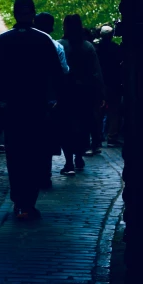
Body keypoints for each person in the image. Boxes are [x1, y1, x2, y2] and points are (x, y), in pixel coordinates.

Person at [0, 0, 64, 220]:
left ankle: (19, 200)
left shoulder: (3, 41)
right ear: (32, 14)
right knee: (34, 155)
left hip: (12, 108)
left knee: (15, 155)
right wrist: (55, 101)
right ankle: (28, 201)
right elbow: (56, 75)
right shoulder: (43, 40)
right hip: (36, 107)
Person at [57, 15, 105, 175]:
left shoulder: (60, 45)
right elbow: (96, 72)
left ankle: (69, 161)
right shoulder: (88, 47)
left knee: (65, 127)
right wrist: (100, 94)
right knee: (83, 126)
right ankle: (79, 156)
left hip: (64, 93)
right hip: (85, 93)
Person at [33, 12, 69, 188]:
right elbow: (63, 71)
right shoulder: (55, 46)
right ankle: (44, 174)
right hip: (47, 99)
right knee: (45, 138)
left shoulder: (18, 42)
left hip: (22, 99)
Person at [96, 25, 123, 147]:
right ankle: (112, 137)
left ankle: (97, 137)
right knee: (114, 111)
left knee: (98, 111)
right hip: (114, 83)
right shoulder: (116, 48)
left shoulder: (96, 48)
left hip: (100, 83)